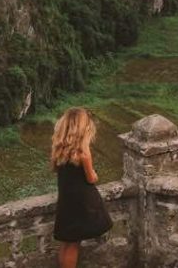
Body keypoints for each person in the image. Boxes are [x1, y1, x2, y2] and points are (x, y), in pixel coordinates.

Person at [51, 107, 112, 268]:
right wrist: (95, 174)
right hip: (81, 203)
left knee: (66, 243)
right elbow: (91, 178)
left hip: (66, 200)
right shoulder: (83, 152)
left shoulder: (59, 151)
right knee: (73, 245)